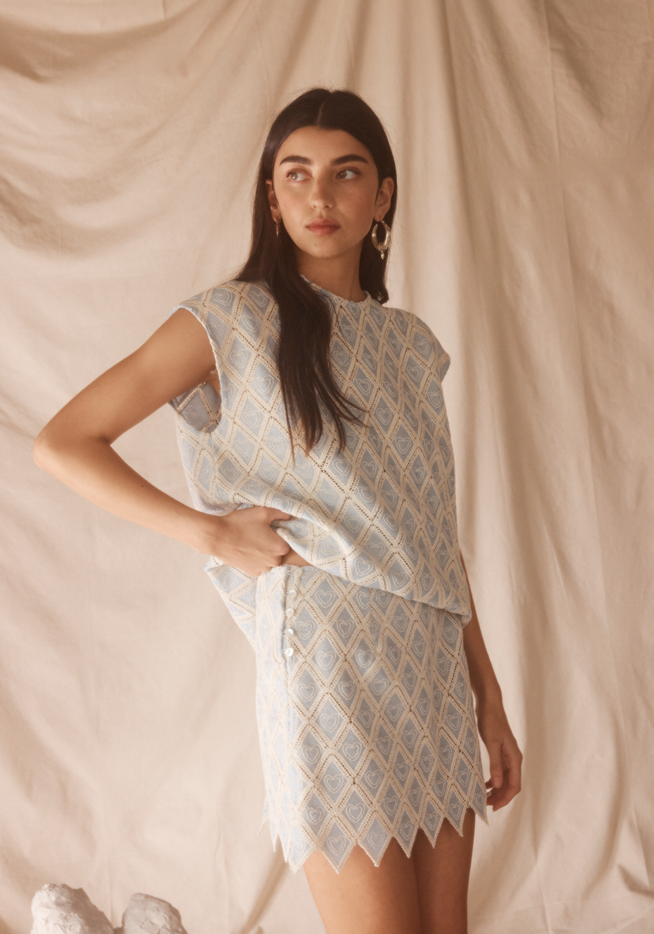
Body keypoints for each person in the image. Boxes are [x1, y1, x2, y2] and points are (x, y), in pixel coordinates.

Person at [34, 87, 522, 934]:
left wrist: (490, 699)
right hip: (329, 659)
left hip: (431, 666)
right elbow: (66, 440)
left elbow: (434, 537)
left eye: (345, 174)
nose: (319, 196)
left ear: (383, 195)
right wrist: (210, 532)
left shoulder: (409, 345)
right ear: (271, 195)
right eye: (294, 175)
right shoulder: (230, 322)